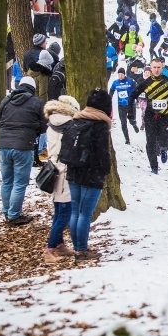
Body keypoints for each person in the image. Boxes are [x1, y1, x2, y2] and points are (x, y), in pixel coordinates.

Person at [67, 89, 113, 261]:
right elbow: (102, 153)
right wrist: (104, 170)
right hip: (91, 173)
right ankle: (81, 249)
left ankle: (77, 246)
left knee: (75, 212)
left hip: (73, 170)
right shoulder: (100, 126)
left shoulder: (76, 120)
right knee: (85, 213)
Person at [0, 76, 46, 225]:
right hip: (24, 145)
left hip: (4, 145)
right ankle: (14, 215)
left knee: (6, 181)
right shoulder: (36, 102)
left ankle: (7, 211)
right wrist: (33, 130)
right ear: (32, 88)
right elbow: (44, 125)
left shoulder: (6, 100)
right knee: (19, 182)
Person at [129, 58, 168, 174]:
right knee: (150, 142)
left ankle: (164, 149)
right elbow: (132, 96)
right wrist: (131, 114)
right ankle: (154, 167)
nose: (156, 70)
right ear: (150, 68)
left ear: (162, 68)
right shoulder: (146, 82)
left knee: (163, 139)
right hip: (150, 115)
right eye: (154, 67)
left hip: (165, 116)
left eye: (158, 67)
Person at [42, 95, 80, 264]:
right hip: (65, 171)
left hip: (55, 168)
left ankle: (58, 244)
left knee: (59, 210)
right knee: (65, 212)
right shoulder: (69, 125)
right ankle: (50, 249)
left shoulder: (52, 122)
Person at [109, 68, 139, 145]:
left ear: (124, 74)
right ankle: (127, 139)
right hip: (121, 105)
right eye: (119, 74)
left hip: (131, 105)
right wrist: (109, 99)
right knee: (123, 123)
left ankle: (134, 124)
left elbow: (137, 90)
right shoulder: (115, 82)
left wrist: (137, 99)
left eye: (121, 74)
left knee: (131, 120)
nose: (120, 76)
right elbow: (111, 91)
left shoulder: (130, 81)